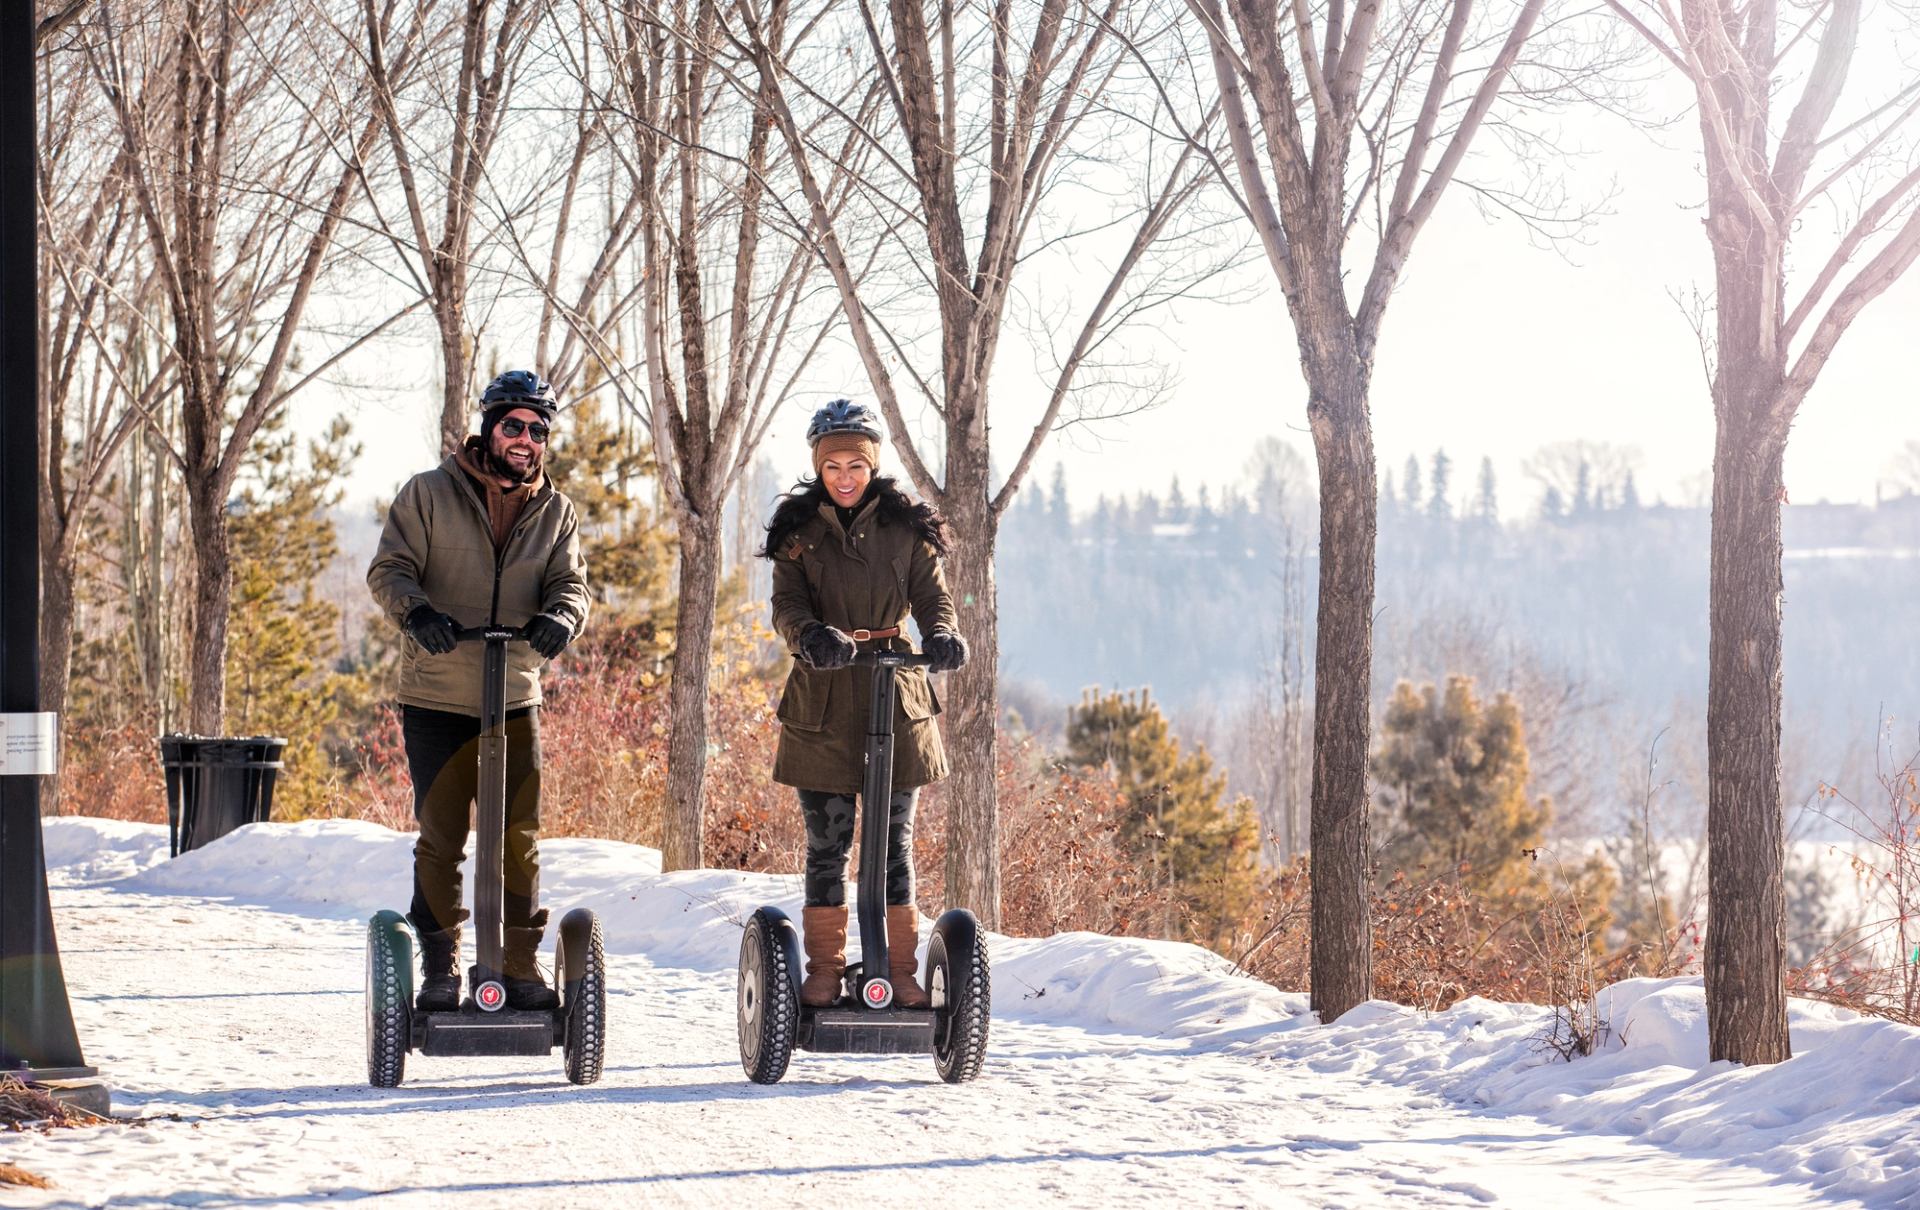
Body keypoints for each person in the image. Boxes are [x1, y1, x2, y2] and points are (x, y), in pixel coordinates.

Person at [367, 370, 590, 1012]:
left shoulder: (557, 510)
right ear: (488, 428)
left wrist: (559, 618)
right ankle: (440, 967)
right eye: (513, 426)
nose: (525, 440)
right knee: (442, 837)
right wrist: (417, 613)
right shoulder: (428, 494)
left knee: (518, 836)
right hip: (438, 695)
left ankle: (518, 965)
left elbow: (571, 585)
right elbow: (390, 568)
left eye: (538, 430)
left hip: (515, 694)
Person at [761, 399, 969, 1008]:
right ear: (819, 469)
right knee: (828, 843)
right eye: (834, 466)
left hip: (895, 698)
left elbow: (934, 597)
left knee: (892, 844)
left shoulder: (906, 529)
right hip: (823, 700)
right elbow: (786, 606)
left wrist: (942, 636)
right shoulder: (798, 534)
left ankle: (900, 970)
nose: (845, 476)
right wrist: (811, 636)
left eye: (856, 464)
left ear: (872, 465)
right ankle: (824, 969)